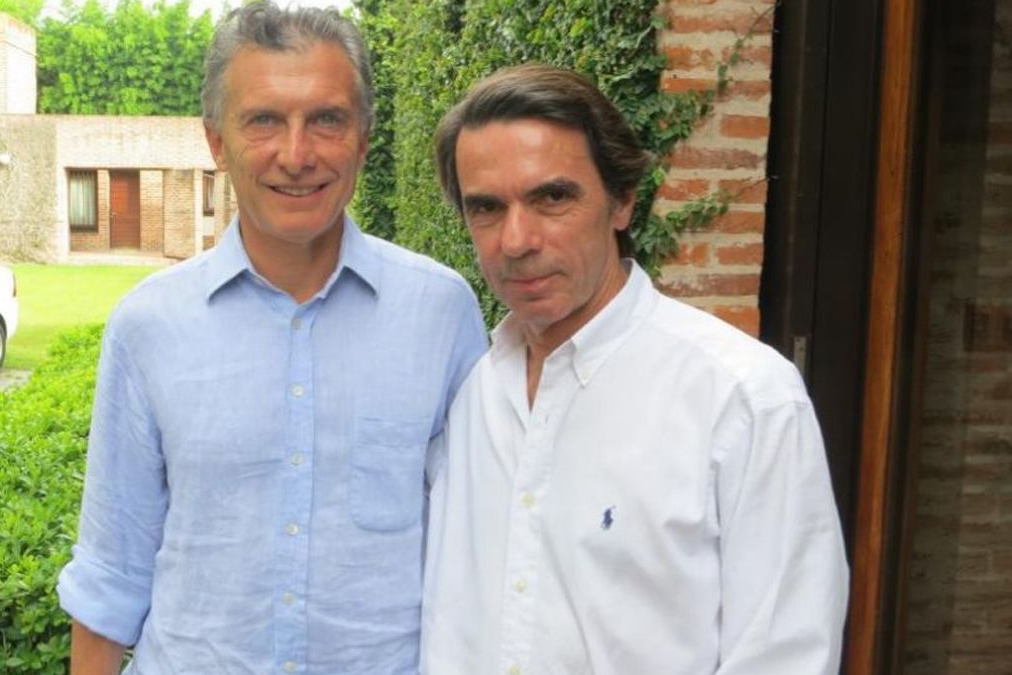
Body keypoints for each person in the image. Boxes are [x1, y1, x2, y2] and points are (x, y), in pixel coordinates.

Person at [56, 4, 487, 673]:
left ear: (364, 140)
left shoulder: (442, 313)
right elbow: (111, 571)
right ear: (216, 142)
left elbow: (481, 551)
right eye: (263, 120)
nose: (296, 155)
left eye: (327, 120)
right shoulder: (148, 325)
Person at [420, 64, 849, 674]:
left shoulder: (742, 398)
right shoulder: (472, 398)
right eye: (486, 208)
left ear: (622, 200)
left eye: (552, 197)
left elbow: (785, 656)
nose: (516, 240)